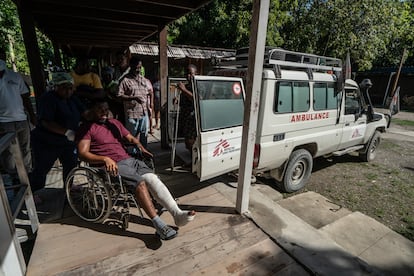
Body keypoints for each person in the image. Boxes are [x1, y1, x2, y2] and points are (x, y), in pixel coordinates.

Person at [76, 100, 195, 240]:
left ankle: (177, 214)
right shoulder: (87, 128)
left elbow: (130, 138)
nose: (104, 112)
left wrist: (140, 146)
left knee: (152, 178)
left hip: (129, 159)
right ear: (91, 111)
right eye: (99, 109)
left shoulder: (114, 123)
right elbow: (82, 153)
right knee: (140, 183)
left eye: (106, 109)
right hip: (112, 164)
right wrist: (104, 159)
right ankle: (158, 224)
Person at [30, 72, 86, 196]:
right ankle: (33, 192)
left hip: (67, 140)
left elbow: (84, 112)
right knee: (43, 167)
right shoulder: (48, 99)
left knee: (70, 163)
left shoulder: (72, 98)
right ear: (56, 87)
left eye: (70, 88)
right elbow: (46, 122)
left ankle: (69, 185)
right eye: (64, 88)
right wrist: (66, 132)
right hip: (46, 140)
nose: (68, 91)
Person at [0, 47, 36, 181]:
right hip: (3, 122)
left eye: (2, 55)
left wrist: (32, 115)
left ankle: (28, 178)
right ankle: (14, 178)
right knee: (8, 153)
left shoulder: (15, 76)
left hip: (21, 119)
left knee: (25, 148)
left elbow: (25, 96)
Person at [117, 57, 153, 148]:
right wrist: (133, 98)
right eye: (136, 67)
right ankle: (132, 156)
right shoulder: (125, 80)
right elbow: (119, 95)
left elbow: (149, 92)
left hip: (143, 113)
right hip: (132, 114)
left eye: (140, 67)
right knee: (131, 137)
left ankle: (143, 154)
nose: (138, 70)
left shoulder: (143, 80)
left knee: (144, 135)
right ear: (131, 66)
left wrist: (150, 106)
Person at [177, 64, 198, 154]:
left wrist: (184, 90)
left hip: (192, 119)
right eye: (187, 74)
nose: (188, 76)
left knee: (191, 141)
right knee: (187, 142)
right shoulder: (187, 86)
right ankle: (191, 159)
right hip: (185, 118)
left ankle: (194, 162)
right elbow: (185, 100)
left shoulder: (198, 85)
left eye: (191, 73)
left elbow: (196, 100)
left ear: (196, 74)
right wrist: (177, 100)